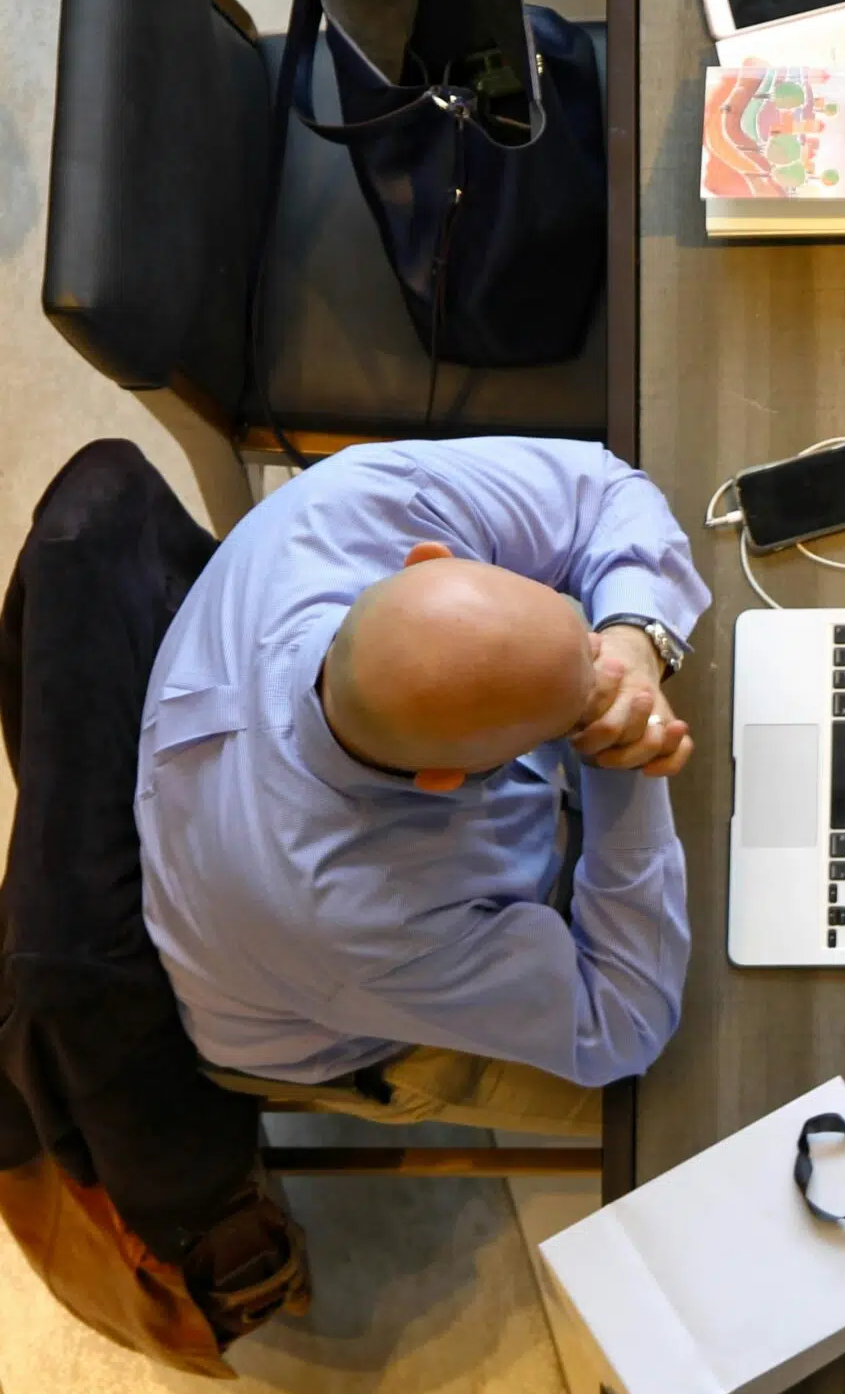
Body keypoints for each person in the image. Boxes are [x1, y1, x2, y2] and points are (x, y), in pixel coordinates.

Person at [137, 439, 712, 1137]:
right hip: (328, 1024)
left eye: (578, 639)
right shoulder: (362, 920)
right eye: (569, 717)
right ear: (444, 782)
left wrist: (632, 643)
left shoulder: (362, 502)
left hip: (280, 899)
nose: (604, 684)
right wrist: (622, 751)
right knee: (688, 1110)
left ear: (430, 558)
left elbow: (605, 491)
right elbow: (622, 1027)